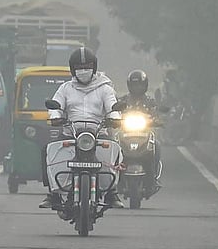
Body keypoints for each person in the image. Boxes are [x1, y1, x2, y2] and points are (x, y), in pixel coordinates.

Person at [40, 47, 123, 209]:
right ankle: (53, 194)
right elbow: (55, 105)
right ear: (72, 69)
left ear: (95, 68)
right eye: (79, 68)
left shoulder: (105, 88)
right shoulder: (65, 88)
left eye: (87, 67)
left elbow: (113, 106)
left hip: (98, 134)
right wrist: (55, 116)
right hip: (70, 133)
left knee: (115, 149)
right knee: (47, 150)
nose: (83, 71)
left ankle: (112, 192)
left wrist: (114, 118)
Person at [118, 69, 163, 190]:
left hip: (144, 133)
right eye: (134, 85)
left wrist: (157, 120)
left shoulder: (150, 101)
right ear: (129, 85)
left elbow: (157, 114)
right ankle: (115, 179)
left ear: (145, 85)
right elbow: (114, 111)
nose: (137, 87)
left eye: (139, 84)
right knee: (114, 147)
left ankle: (153, 178)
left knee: (156, 146)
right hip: (126, 133)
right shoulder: (123, 100)